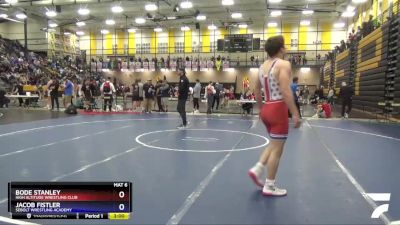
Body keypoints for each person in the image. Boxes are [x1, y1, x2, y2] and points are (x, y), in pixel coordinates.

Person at [248, 35, 301, 197]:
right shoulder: (284, 64)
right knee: (278, 150)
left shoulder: (262, 67)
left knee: (273, 143)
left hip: (267, 109)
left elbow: (256, 89)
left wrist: (260, 109)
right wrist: (294, 112)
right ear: (281, 49)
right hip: (278, 109)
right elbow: (285, 90)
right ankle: (269, 185)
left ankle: (257, 169)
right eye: (285, 46)